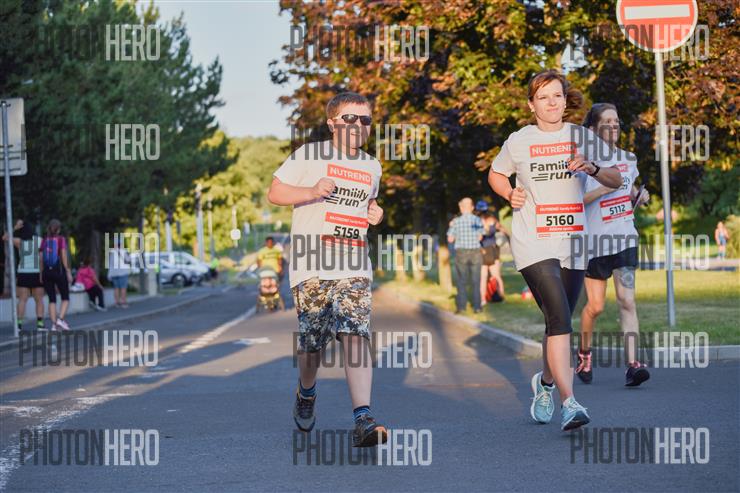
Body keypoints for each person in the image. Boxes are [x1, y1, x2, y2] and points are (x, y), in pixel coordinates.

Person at [488, 70, 622, 431]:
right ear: (531, 105)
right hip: (534, 242)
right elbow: (496, 174)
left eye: (557, 96)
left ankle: (545, 383)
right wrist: (509, 192)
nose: (551, 102)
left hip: (574, 243)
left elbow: (616, 179)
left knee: (556, 322)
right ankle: (569, 402)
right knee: (560, 318)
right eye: (543, 97)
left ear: (565, 101)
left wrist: (592, 167)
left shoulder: (581, 137)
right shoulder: (519, 141)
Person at [267, 91, 387, 447]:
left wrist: (376, 213)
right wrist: (311, 191)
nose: (358, 125)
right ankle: (306, 391)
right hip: (311, 265)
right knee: (312, 344)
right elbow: (275, 193)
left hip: (354, 263)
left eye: (365, 120)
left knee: (356, 332)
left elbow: (369, 204)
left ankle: (363, 417)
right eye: (350, 118)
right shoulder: (308, 154)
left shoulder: (372, 166)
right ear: (332, 123)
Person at [577, 103, 651, 387]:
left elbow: (629, 191)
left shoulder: (628, 159)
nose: (614, 126)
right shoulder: (582, 163)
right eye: (606, 122)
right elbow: (576, 202)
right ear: (593, 129)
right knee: (595, 307)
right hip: (595, 243)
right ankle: (584, 354)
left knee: (627, 301)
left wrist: (638, 196)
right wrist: (603, 189)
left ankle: (633, 365)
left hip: (624, 238)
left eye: (616, 121)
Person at [3, 220, 45, 331]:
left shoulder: (19, 241)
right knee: (39, 300)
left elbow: (4, 238)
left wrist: (15, 228)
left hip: (23, 273)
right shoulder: (40, 240)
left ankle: (19, 325)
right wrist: (42, 274)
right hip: (36, 273)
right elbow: (42, 258)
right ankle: (40, 324)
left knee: (22, 300)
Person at [447, 197, 484, 313]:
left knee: (461, 280)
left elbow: (450, 239)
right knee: (476, 280)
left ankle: (461, 307)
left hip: (461, 252)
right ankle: (477, 307)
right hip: (475, 252)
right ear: (472, 208)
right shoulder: (477, 220)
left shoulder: (456, 221)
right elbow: (480, 237)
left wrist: (451, 226)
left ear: (461, 208)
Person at [39, 219, 73, 331]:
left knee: (52, 299)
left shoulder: (44, 240)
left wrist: (41, 273)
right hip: (58, 271)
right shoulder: (60, 239)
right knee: (65, 297)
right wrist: (68, 271)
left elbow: (41, 258)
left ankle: (54, 325)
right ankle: (60, 319)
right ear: (58, 229)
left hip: (46, 273)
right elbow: (63, 256)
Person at [477, 202, 508, 305]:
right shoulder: (493, 220)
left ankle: (483, 299)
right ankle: (501, 297)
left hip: (483, 250)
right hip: (493, 249)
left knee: (483, 277)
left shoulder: (478, 221)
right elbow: (503, 230)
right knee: (496, 275)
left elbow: (480, 236)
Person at [107, 237, 130, 308]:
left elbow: (110, 264)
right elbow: (128, 260)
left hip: (114, 273)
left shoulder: (112, 252)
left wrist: (109, 274)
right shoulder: (123, 251)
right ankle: (123, 302)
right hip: (123, 272)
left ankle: (117, 303)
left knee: (116, 288)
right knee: (123, 288)